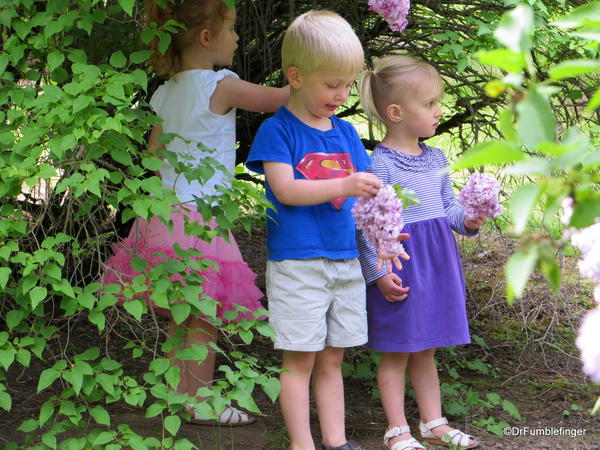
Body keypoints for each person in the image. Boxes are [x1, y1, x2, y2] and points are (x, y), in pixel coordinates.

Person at [101, 0, 289, 426]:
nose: (238, 39)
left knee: (181, 316)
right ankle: (201, 402)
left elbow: (152, 154)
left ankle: (176, 396)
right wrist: (309, 75)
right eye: (232, 30)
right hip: (199, 219)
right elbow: (278, 100)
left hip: (162, 216)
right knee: (204, 317)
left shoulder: (164, 92)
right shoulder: (221, 84)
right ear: (207, 38)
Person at [245, 10, 389, 450]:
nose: (341, 94)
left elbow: (368, 199)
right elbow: (285, 189)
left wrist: (386, 234)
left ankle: (336, 442)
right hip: (298, 263)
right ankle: (301, 444)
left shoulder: (345, 132)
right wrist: (343, 183)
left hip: (344, 260)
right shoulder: (278, 130)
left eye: (347, 84)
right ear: (295, 76)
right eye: (332, 84)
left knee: (333, 358)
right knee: (300, 360)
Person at [357, 54, 484, 450]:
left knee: (426, 347)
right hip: (404, 263)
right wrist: (376, 273)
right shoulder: (381, 164)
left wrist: (472, 218)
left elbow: (448, 210)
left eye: (437, 102)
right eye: (429, 104)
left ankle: (434, 423)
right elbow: (366, 222)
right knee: (398, 349)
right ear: (395, 112)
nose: (438, 111)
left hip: (438, 262)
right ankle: (398, 429)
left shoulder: (436, 157)